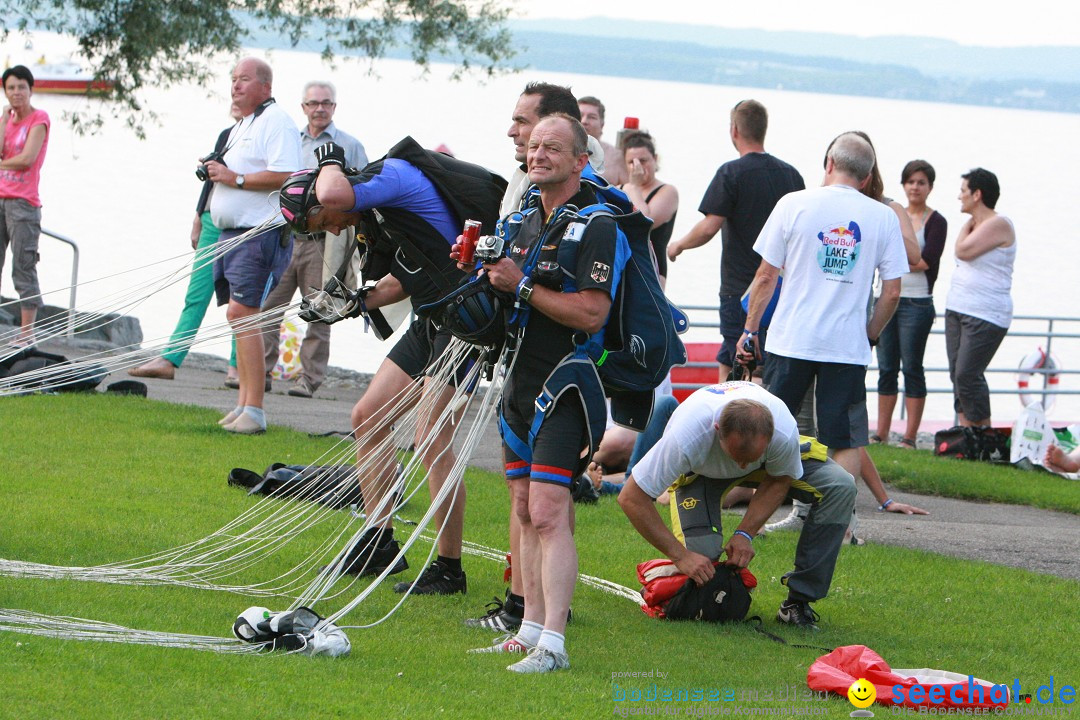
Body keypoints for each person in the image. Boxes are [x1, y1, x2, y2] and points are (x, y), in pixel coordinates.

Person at [278, 135, 505, 595]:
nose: (329, 230)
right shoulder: (376, 212)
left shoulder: (392, 176)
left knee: (431, 438)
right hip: (431, 318)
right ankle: (378, 540)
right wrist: (351, 304)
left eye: (320, 221)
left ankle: (449, 568)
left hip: (466, 323)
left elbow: (335, 194)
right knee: (367, 416)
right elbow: (406, 276)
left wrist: (331, 157)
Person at [466, 114, 624, 673]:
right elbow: (502, 297)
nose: (537, 155)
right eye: (533, 147)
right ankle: (527, 628)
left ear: (582, 160)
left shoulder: (600, 225)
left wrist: (522, 285)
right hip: (517, 382)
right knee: (524, 508)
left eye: (552, 148)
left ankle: (553, 643)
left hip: (569, 383)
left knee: (552, 510)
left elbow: (592, 312)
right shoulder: (521, 218)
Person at [739, 132, 908, 490]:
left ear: (829, 164)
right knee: (843, 438)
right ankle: (840, 525)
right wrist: (870, 334)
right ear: (866, 177)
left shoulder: (793, 204)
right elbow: (892, 293)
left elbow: (766, 276)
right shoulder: (883, 217)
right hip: (846, 346)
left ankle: (758, 518)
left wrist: (750, 329)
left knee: (773, 430)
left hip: (791, 340)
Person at [618, 382, 856, 629]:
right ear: (717, 429)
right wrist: (681, 556)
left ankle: (798, 603)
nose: (742, 467)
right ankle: (658, 577)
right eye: (736, 456)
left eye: (750, 458)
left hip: (768, 470)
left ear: (771, 435)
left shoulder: (783, 431)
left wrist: (745, 534)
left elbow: (779, 479)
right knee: (704, 571)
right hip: (702, 474)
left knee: (840, 486)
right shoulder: (686, 435)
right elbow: (631, 497)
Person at [667, 99, 804, 381]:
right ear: (764, 130)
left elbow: (709, 227)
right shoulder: (792, 176)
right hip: (782, 288)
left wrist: (678, 244)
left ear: (734, 131)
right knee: (768, 361)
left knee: (734, 358)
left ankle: (729, 419)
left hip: (740, 290)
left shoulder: (731, 173)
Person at [206, 57, 301, 434]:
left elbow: (287, 175)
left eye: (244, 79)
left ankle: (256, 410)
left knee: (246, 315)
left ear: (265, 86)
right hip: (231, 234)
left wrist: (236, 178)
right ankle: (243, 403)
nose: (235, 86)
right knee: (236, 315)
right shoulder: (243, 123)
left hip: (259, 235)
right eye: (233, 79)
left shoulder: (277, 121)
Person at [259, 80, 368, 399]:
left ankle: (308, 378)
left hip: (326, 240)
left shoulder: (351, 146)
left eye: (326, 103)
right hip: (285, 237)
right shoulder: (290, 141)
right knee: (268, 305)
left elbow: (363, 190)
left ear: (334, 107)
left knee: (321, 306)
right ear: (303, 107)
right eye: (313, 103)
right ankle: (261, 370)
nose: (320, 108)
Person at [130, 105, 243, 381]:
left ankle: (237, 367)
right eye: (234, 87)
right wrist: (197, 215)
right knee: (196, 294)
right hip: (210, 220)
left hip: (242, 223)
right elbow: (210, 181)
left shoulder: (264, 137)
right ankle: (170, 358)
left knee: (242, 297)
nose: (235, 96)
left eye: (243, 85)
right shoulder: (227, 135)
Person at [874, 160, 947, 447]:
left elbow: (925, 260)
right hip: (887, 299)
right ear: (903, 185)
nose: (915, 187)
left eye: (921, 182)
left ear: (929, 187)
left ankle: (910, 436)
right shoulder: (890, 214)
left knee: (912, 368)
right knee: (886, 368)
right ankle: (881, 432)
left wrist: (894, 259)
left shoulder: (937, 221)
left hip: (917, 303)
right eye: (911, 181)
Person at [944, 168, 1015, 428]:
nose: (959, 197)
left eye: (963, 191)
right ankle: (967, 434)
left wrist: (968, 222)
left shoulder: (999, 223)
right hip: (958, 308)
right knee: (957, 375)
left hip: (986, 313)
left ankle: (983, 434)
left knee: (968, 374)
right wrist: (971, 221)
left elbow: (963, 251)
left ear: (977, 194)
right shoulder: (975, 224)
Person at [0, 65, 50, 347]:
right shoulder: (8, 119)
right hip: (0, 198)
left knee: (23, 266)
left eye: (21, 87)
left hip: (23, 204)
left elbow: (27, 159)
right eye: (10, 88)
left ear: (31, 89)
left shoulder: (39, 119)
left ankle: (26, 334)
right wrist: (4, 121)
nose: (16, 92)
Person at [618, 132, 678, 286]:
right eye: (631, 161)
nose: (637, 166)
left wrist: (634, 186)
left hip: (652, 270)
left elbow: (645, 221)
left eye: (643, 161)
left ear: (655, 159)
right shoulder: (619, 189)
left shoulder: (667, 191)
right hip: (622, 267)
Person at [578, 95, 625, 185]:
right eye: (580, 115)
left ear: (602, 124)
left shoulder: (617, 156)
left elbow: (628, 191)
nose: (584, 121)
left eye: (592, 117)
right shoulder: (560, 150)